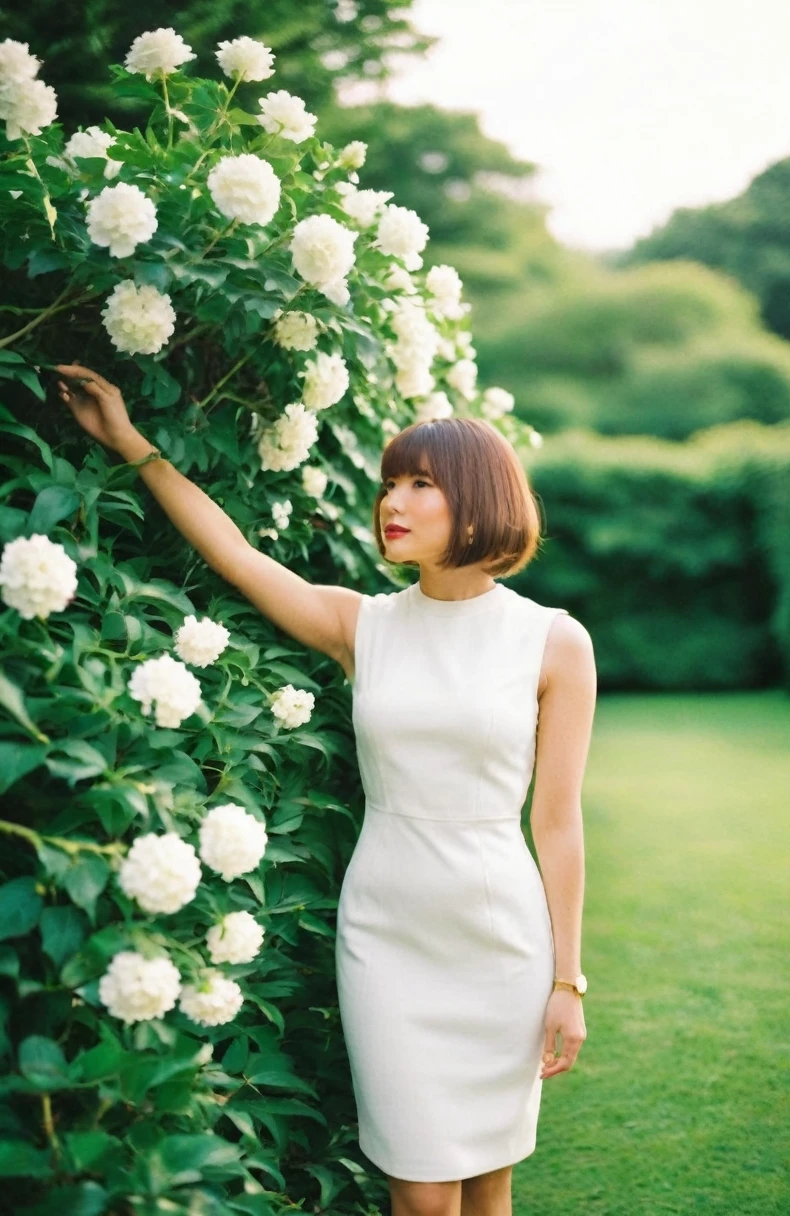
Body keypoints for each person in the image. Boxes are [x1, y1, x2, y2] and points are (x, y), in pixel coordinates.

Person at [55, 362, 597, 1216]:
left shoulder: (554, 643)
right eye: (389, 482)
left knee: (491, 1184)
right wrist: (132, 445)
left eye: (421, 483)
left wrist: (568, 983)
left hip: (503, 940)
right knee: (422, 1196)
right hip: (388, 934)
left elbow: (558, 824)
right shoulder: (362, 624)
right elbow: (234, 555)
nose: (394, 501)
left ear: (479, 498)